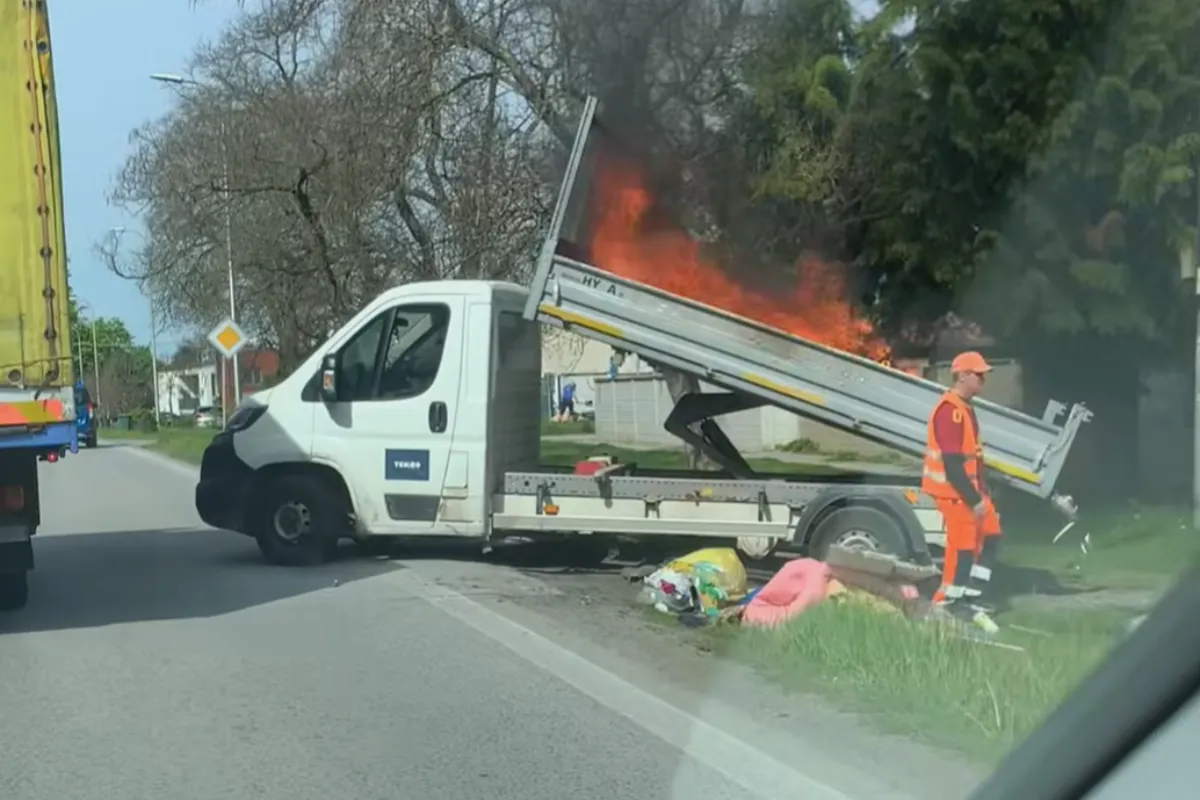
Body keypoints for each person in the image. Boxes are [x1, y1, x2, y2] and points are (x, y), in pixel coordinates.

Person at [920, 351, 1003, 617]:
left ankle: (970, 596)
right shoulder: (950, 411)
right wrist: (974, 499)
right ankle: (948, 603)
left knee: (991, 536)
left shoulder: (965, 407)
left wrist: (983, 494)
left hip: (971, 492)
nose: (982, 380)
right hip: (955, 494)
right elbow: (953, 465)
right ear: (963, 376)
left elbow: (973, 458)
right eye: (978, 375)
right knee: (963, 549)